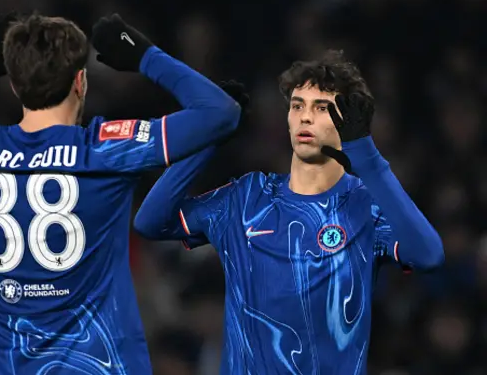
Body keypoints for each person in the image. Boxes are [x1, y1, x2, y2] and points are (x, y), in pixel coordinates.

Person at [0, 12, 241, 374]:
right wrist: (144, 55)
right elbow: (220, 111)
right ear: (81, 82)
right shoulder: (106, 149)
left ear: (14, 86)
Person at [134, 49, 444, 374]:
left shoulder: (365, 204)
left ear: (348, 121)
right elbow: (151, 221)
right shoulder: (246, 197)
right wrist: (208, 135)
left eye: (321, 107)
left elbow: (428, 255)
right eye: (297, 106)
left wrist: (365, 157)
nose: (305, 117)